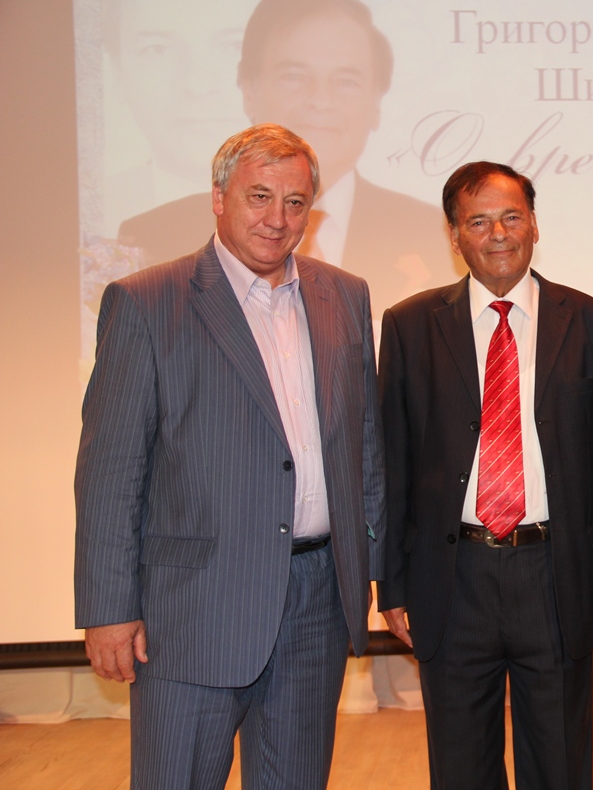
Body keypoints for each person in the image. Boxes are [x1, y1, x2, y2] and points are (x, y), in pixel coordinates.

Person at [75, 123, 385, 789]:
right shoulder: (146, 302)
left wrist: (374, 568)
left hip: (316, 602)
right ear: (218, 198)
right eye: (259, 197)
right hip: (194, 611)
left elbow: (364, 449)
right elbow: (110, 473)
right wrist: (107, 607)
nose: (278, 219)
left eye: (296, 202)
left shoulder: (345, 295)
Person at [376, 162, 593, 789]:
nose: (499, 234)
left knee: (560, 766)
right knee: (461, 769)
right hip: (452, 578)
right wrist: (393, 584)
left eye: (512, 216)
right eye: (478, 221)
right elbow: (393, 464)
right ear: (454, 234)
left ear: (534, 224)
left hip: (556, 575)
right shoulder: (409, 326)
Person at [118, 0, 459, 312]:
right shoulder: (152, 236)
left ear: (376, 103)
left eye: (346, 81)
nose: (321, 101)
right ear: (248, 90)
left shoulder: (427, 231)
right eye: (294, 77)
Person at [100, 0, 265, 235]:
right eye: (158, 49)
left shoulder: (315, 213)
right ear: (117, 73)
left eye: (233, 46)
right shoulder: (96, 212)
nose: (197, 85)